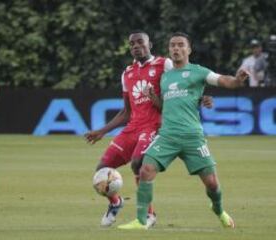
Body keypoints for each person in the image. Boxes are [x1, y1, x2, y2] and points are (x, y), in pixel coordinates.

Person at [118, 32, 248, 230]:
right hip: (168, 136)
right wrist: (154, 98)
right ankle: (142, 219)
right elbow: (165, 105)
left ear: (189, 49)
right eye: (172, 45)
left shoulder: (199, 72)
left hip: (192, 137)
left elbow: (224, 81)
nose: (176, 48)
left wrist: (237, 80)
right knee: (145, 170)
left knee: (212, 184)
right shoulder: (165, 77)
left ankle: (219, 210)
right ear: (169, 50)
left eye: (180, 45)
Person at [85, 30, 213, 227]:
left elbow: (181, 92)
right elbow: (127, 111)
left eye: (140, 42)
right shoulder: (127, 73)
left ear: (150, 44)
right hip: (133, 127)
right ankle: (115, 202)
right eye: (132, 44)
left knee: (138, 163)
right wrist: (102, 130)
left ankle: (149, 215)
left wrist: (198, 98)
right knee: (102, 171)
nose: (136, 46)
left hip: (154, 126)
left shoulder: (164, 64)